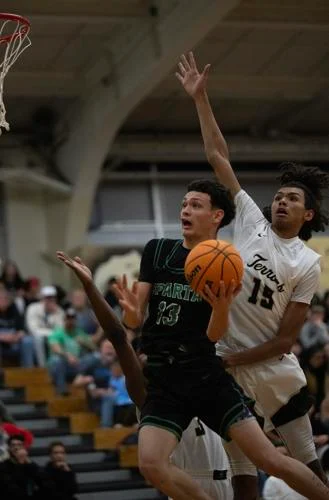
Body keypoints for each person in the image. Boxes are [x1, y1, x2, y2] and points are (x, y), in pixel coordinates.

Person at [176, 50, 329, 498]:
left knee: (305, 459)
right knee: (243, 466)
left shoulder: (308, 262)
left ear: (308, 214)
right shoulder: (250, 221)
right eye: (278, 195)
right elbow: (217, 155)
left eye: (292, 199)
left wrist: (234, 360)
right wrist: (200, 99)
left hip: (272, 368)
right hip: (227, 360)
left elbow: (285, 341)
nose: (280, 201)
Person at [57, 250, 329, 499]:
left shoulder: (209, 382)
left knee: (270, 460)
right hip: (189, 489)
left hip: (227, 484)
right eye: (147, 355)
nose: (149, 356)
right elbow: (118, 337)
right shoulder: (147, 395)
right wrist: (91, 289)